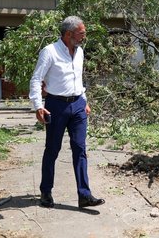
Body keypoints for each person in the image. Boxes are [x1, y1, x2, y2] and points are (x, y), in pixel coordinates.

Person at [29, 16, 104, 209]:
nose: (83, 37)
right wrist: (38, 105)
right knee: (52, 150)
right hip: (56, 105)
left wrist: (84, 101)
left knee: (80, 149)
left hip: (78, 104)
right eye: (81, 33)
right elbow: (36, 79)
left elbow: (78, 78)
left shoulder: (79, 52)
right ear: (69, 34)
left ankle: (84, 195)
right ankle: (46, 192)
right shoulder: (50, 52)